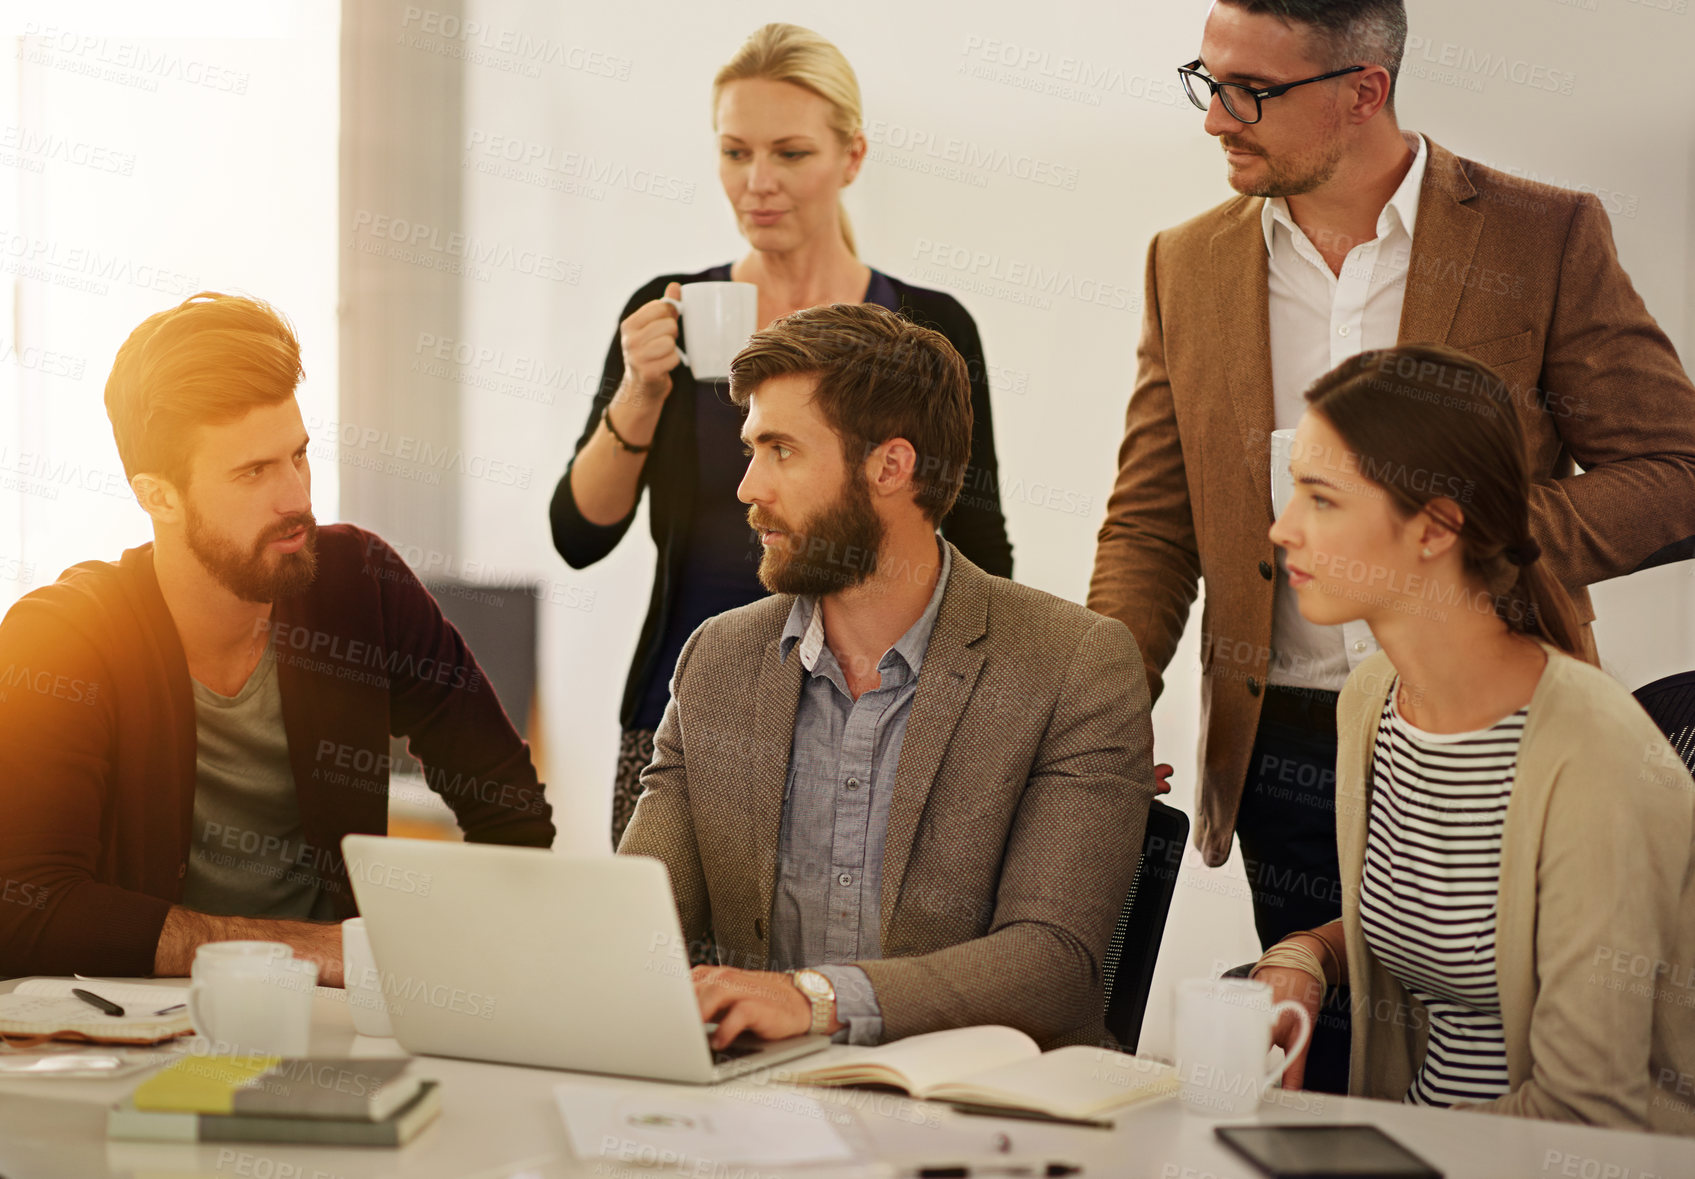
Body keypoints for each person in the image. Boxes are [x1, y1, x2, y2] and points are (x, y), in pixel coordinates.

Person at [1086, 0, 1695, 1090]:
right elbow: (1152, 521)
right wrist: (1094, 715)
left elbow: (1676, 469)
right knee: (1325, 1079)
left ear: (1365, 90)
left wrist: (1459, 543)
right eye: (1206, 79)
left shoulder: (1540, 236)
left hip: (1494, 732)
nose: (1217, 118)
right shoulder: (1184, 262)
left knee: (1521, 1070)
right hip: (1286, 744)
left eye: (1253, 92)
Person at [618, 303, 1153, 1051]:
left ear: (890, 467)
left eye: (781, 451)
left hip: (978, 1116)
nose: (747, 487)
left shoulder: (1073, 664)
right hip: (762, 1111)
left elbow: (1051, 962)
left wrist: (817, 998)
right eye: (751, 449)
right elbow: (637, 924)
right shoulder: (718, 659)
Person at [0, 293, 555, 984]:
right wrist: (313, 951)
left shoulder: (362, 582)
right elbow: (28, 910)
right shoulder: (59, 641)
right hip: (139, 1023)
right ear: (158, 495)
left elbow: (511, 812)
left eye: (298, 455)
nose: (295, 496)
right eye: (253, 472)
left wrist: (472, 971)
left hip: (341, 1018)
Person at [550, 23, 1013, 848]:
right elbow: (578, 534)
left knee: (843, 974)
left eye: (790, 154)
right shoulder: (669, 309)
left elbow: (978, 545)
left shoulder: (927, 329)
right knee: (669, 972)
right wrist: (640, 391)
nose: (756, 182)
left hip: (880, 724)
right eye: (734, 152)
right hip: (683, 720)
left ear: (852, 157)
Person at [1253, 344, 1695, 1132]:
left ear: (1435, 529)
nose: (1281, 527)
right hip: (1429, 1143)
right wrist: (1309, 953)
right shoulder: (1372, 701)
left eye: (1320, 498)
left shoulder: (1593, 758)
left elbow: (1582, 1112)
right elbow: (1443, 916)